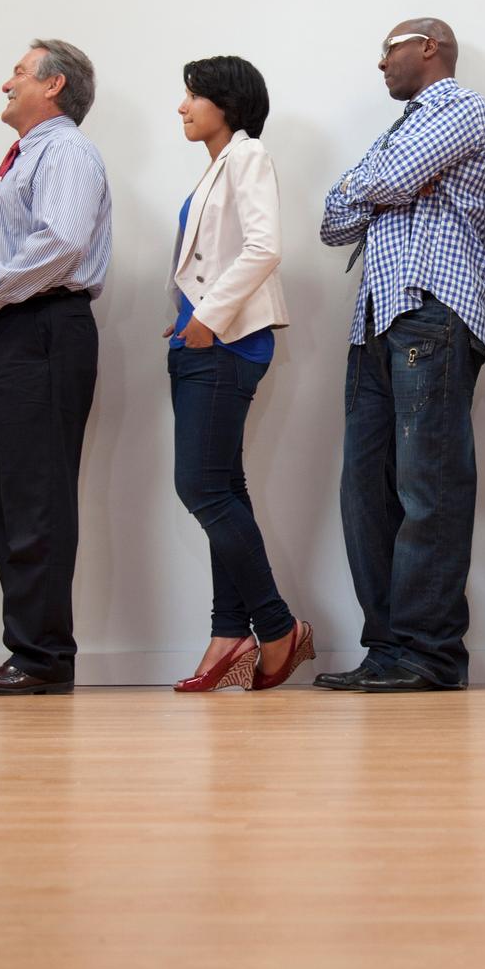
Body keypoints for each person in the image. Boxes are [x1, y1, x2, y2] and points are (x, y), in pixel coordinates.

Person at [316, 18, 485, 692]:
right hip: (375, 319)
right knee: (364, 490)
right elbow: (334, 221)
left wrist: (379, 183)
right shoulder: (401, 130)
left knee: (429, 486)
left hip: (432, 311)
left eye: (385, 49)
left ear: (427, 47)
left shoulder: (462, 108)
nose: (378, 65)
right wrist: (383, 184)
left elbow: (382, 181)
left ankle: (431, 653)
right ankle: (389, 648)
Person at [0, 40, 111, 696]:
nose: (5, 83)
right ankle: (30, 649)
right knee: (11, 503)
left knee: (35, 502)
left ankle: (43, 658)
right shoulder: (28, 157)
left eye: (17, 72)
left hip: (44, 330)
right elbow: (6, 253)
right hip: (12, 335)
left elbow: (61, 240)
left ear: (54, 85)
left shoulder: (65, 151)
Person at [165, 56, 314, 692]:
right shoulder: (216, 169)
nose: (182, 106)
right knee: (222, 485)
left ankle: (278, 630)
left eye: (193, 95)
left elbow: (265, 247)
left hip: (226, 343)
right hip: (204, 341)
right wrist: (184, 320)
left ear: (227, 103)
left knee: (200, 487)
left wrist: (209, 317)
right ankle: (231, 632)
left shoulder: (248, 156)